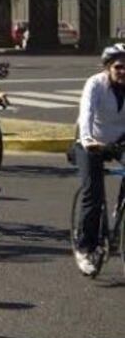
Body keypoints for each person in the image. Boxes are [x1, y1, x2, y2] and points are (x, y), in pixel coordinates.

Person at [73, 44, 125, 275]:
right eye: (118, 67)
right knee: (92, 194)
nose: (123, 71)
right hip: (91, 142)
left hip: (119, 141)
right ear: (107, 67)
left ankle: (119, 208)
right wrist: (87, 139)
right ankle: (85, 247)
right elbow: (87, 113)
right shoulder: (95, 84)